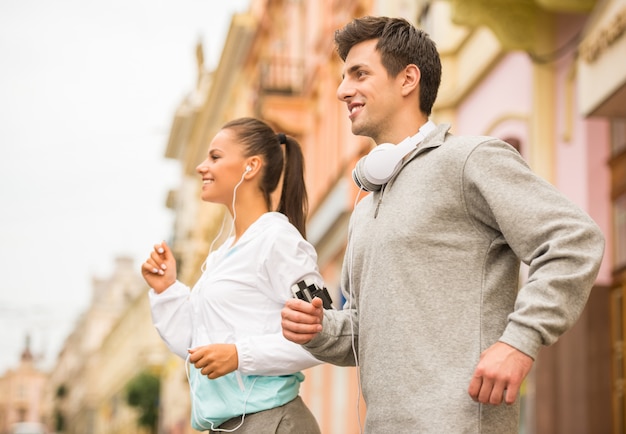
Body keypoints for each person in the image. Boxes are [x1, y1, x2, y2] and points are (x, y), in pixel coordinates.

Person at [281, 16, 605, 433]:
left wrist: (519, 341)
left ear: (408, 79)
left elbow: (574, 241)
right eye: (343, 77)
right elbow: (363, 329)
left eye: (359, 74)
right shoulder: (366, 206)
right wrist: (319, 329)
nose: (343, 90)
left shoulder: (470, 160)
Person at [142, 117, 323, 433]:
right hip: (229, 426)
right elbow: (196, 345)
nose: (201, 167)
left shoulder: (278, 239)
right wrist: (167, 290)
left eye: (214, 157)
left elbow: (321, 335)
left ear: (250, 167)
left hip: (274, 422)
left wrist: (241, 355)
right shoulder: (222, 254)